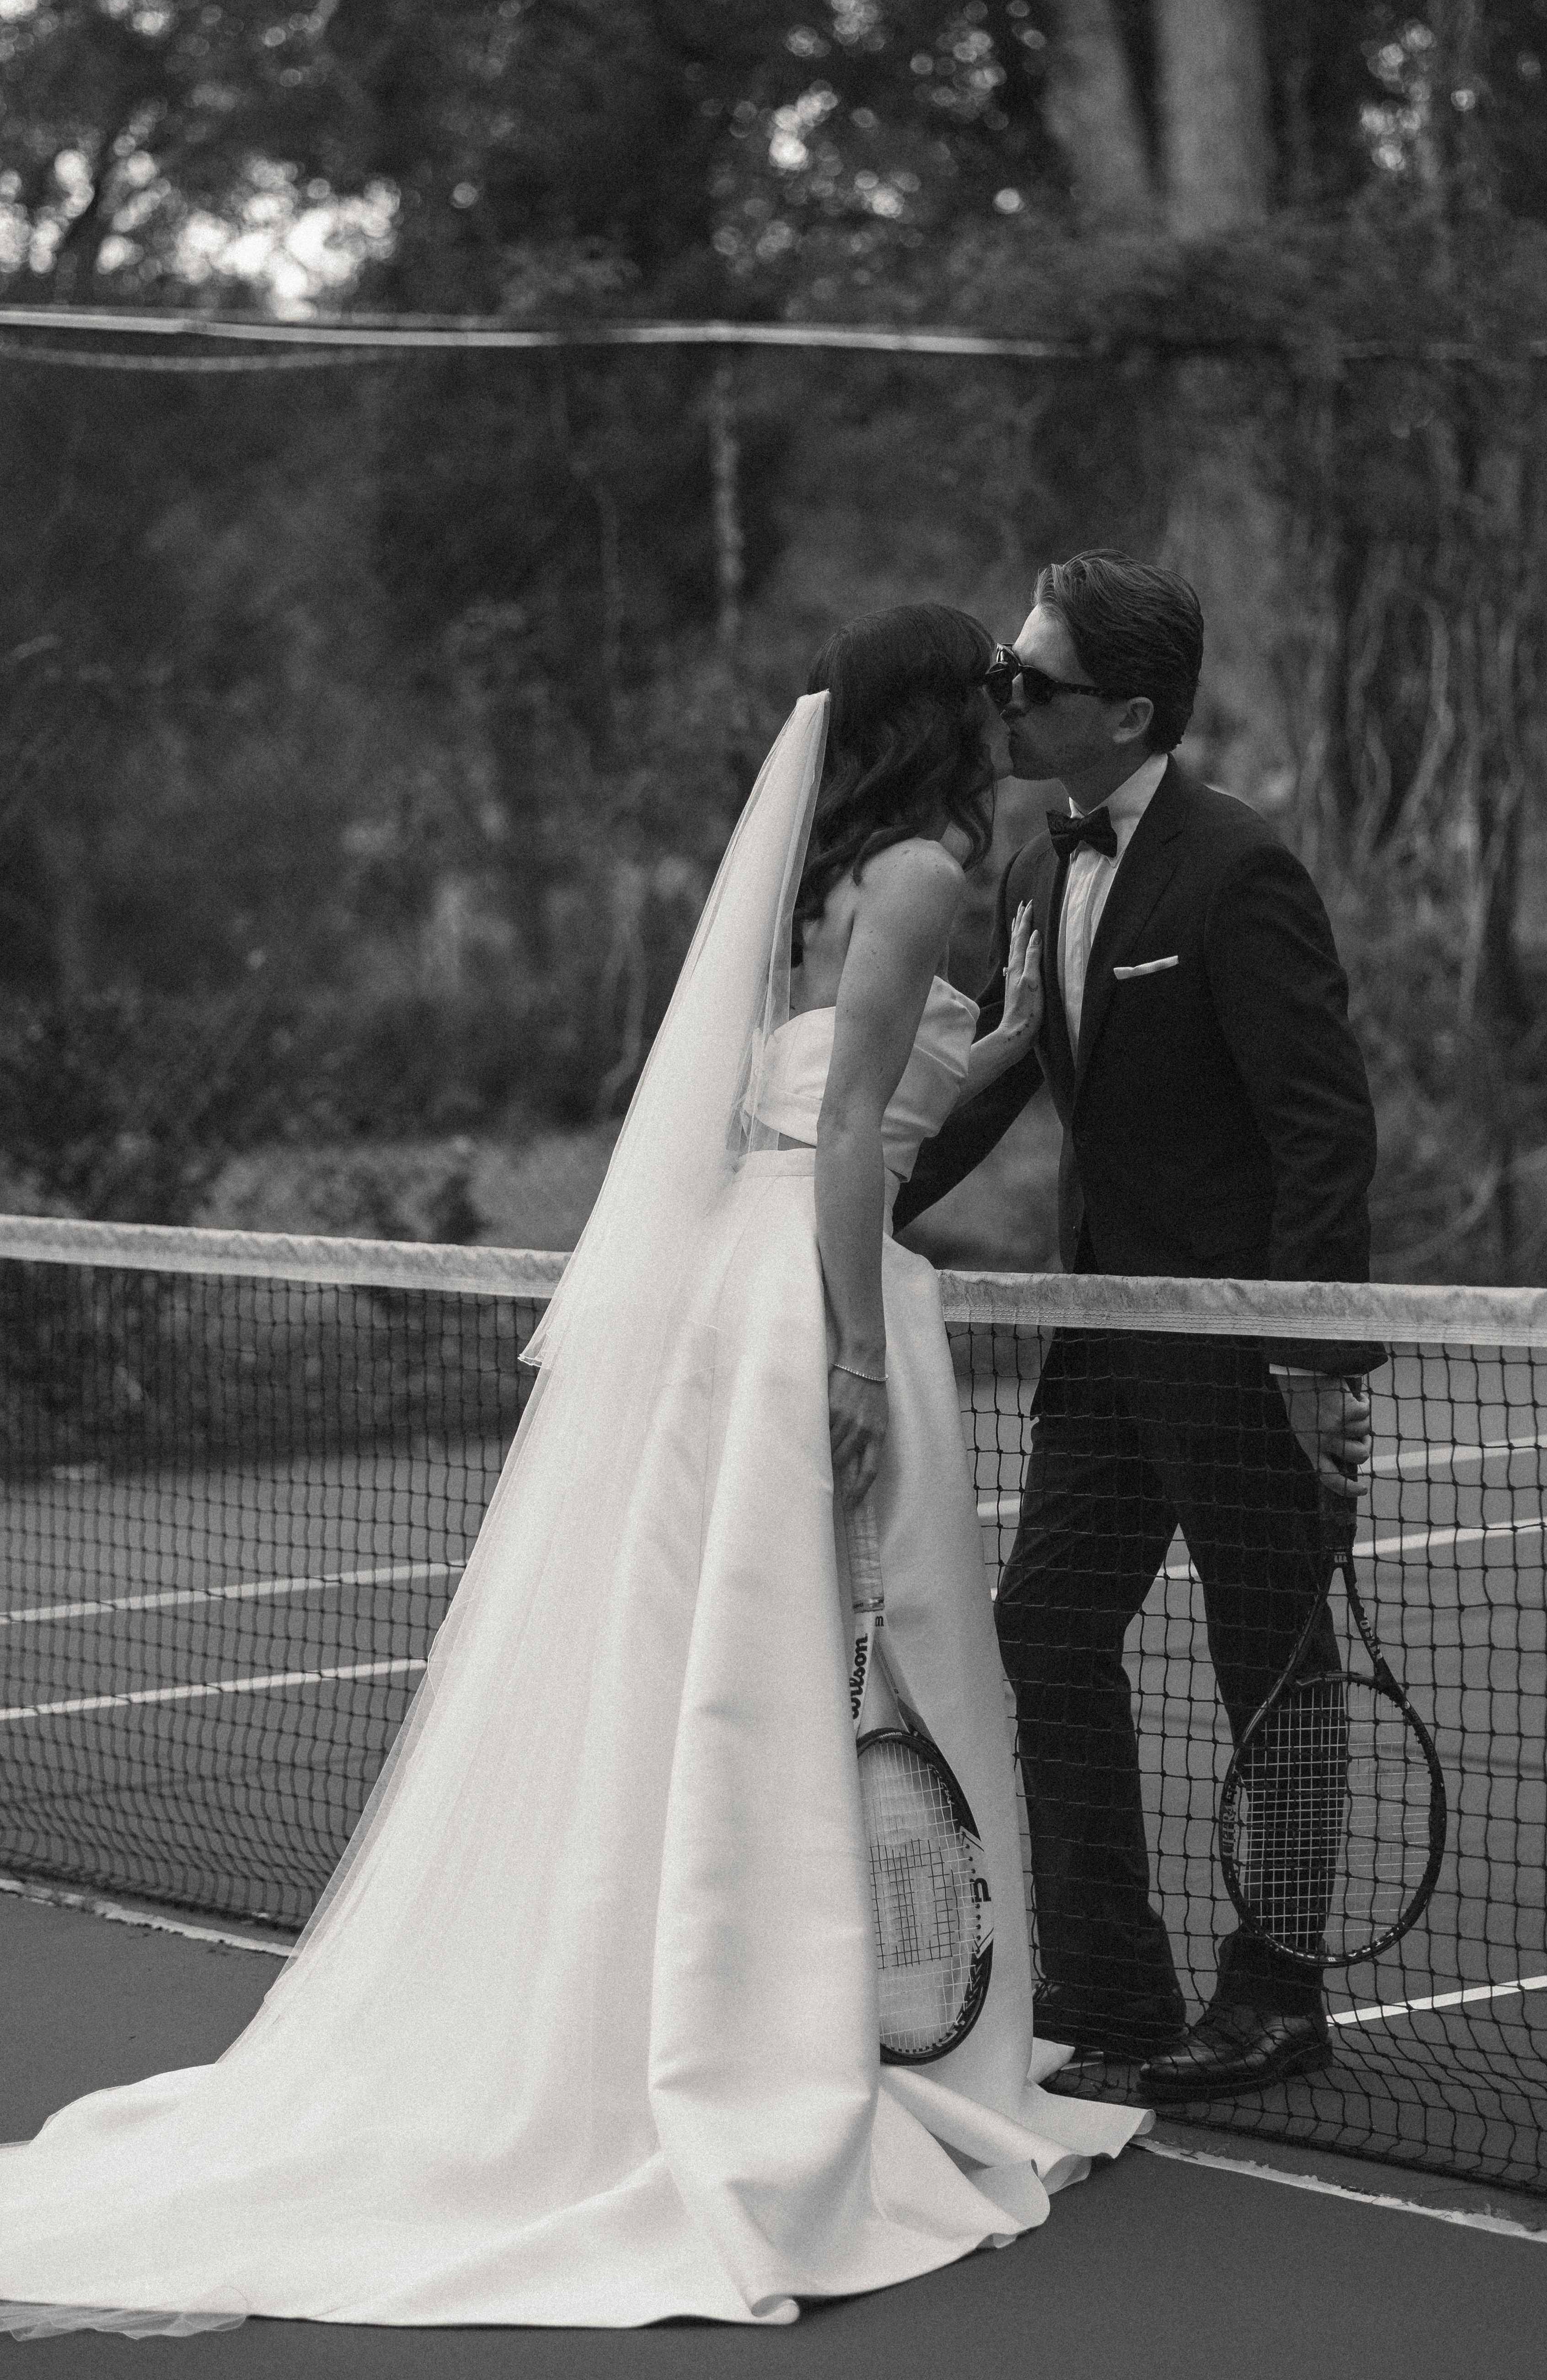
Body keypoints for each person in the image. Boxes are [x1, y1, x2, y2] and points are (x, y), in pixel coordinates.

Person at [0, 606, 1143, 2342]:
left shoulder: (812, 884)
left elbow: (834, 1099)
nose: (1010, 715)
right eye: (990, 694)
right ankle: (783, 2044)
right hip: (807, 1311)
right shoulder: (915, 874)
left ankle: (774, 2011)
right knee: (836, 1663)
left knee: (756, 1670)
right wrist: (847, 1347)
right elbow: (844, 1136)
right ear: (938, 720)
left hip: (741, 1299)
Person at [893, 551, 1380, 2105]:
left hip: (1246, 1364)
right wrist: (850, 1214)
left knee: (1273, 1675)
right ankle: (1110, 1980)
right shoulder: (1038, 869)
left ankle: (1278, 1993)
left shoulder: (1240, 872)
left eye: (1033, 684)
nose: (1005, 703)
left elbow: (1323, 1132)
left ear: (1131, 713)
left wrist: (1314, 1358)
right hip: (1101, 1354)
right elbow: (1009, 1072)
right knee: (1042, 1637)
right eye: (1003, 676)